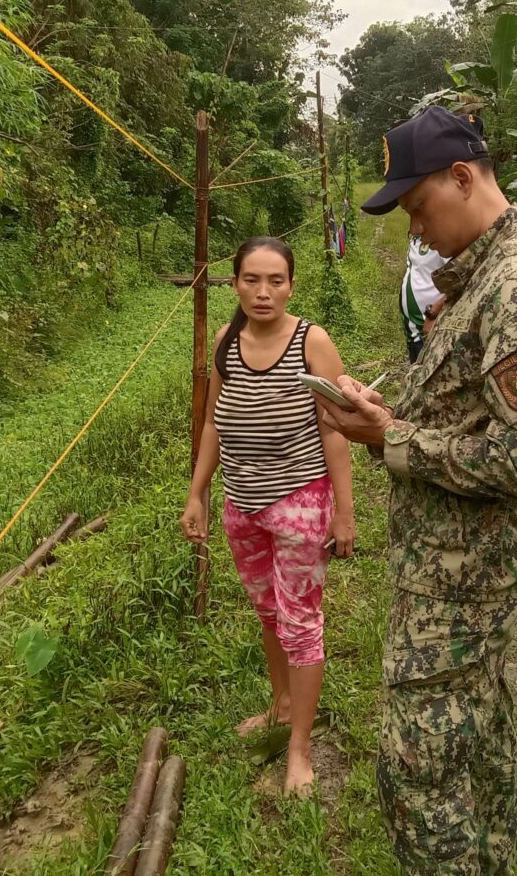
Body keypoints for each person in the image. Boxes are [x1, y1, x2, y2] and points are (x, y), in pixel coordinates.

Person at [312, 106, 517, 875]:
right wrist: (389, 416)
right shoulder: (481, 278)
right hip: (454, 563)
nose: (417, 234)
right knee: (477, 729)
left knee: (418, 763)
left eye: (419, 209)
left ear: (463, 177)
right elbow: (470, 415)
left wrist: (387, 440)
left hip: (468, 572)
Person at [180, 236, 355, 795]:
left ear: (291, 285)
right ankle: (281, 705)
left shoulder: (313, 342)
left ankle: (300, 748)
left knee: (300, 623)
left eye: (275, 280)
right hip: (243, 505)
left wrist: (344, 514)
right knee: (268, 614)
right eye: (251, 280)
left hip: (301, 504)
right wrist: (197, 493)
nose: (263, 291)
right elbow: (213, 423)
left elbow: (337, 430)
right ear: (234, 284)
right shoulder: (227, 341)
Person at [401, 235, 448, 362]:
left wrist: (432, 314)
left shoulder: (441, 239)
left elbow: (461, 279)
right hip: (413, 329)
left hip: (427, 326)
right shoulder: (416, 238)